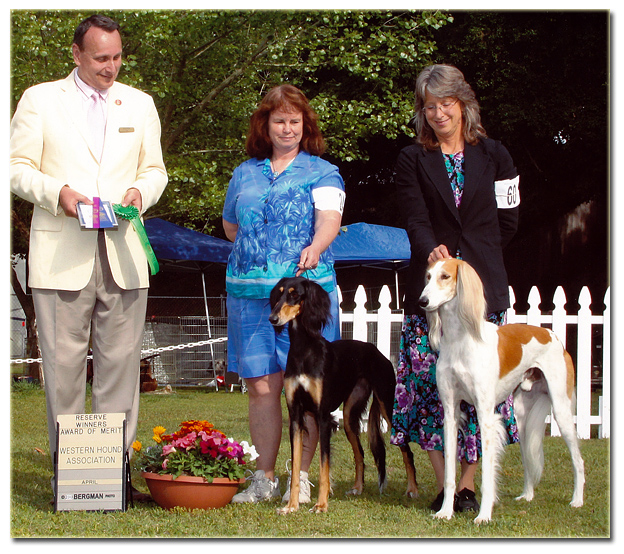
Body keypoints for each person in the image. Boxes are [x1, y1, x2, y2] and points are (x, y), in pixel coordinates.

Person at [10, 15, 168, 499]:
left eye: (117, 57)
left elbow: (156, 169)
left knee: (121, 370)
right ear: (76, 54)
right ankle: (73, 478)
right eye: (101, 58)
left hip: (123, 252)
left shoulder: (139, 104)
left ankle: (111, 478)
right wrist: (59, 193)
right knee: (63, 370)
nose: (110, 67)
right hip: (61, 253)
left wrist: (141, 193)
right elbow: (15, 168)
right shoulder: (40, 99)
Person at [390, 64, 520, 512]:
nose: (439, 114)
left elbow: (509, 218)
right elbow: (414, 216)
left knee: (485, 392)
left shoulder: (497, 154)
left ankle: (469, 485)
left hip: (484, 293)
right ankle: (445, 486)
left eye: (446, 105)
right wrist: (433, 252)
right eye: (430, 107)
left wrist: (476, 260)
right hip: (431, 288)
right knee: (429, 388)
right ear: (421, 112)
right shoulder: (412, 159)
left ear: (464, 105)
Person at [222, 84, 345, 504]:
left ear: (304, 125)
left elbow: (330, 219)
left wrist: (315, 246)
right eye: (279, 120)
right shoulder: (244, 172)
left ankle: (303, 477)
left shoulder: (323, 171)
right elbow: (231, 227)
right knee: (261, 387)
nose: (287, 128)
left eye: (295, 121)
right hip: (249, 295)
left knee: (310, 391)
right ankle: (264, 477)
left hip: (305, 296)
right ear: (265, 125)